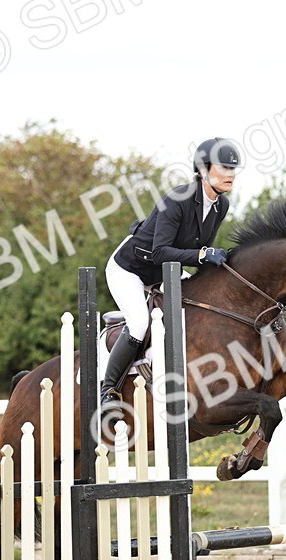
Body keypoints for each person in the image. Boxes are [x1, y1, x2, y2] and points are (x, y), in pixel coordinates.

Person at [99, 137, 242, 405]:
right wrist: (203, 255)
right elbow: (160, 252)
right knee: (139, 323)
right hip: (130, 269)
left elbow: (200, 253)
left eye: (233, 169)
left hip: (165, 273)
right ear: (203, 170)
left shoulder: (221, 205)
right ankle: (108, 390)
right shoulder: (178, 200)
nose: (230, 174)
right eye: (223, 168)